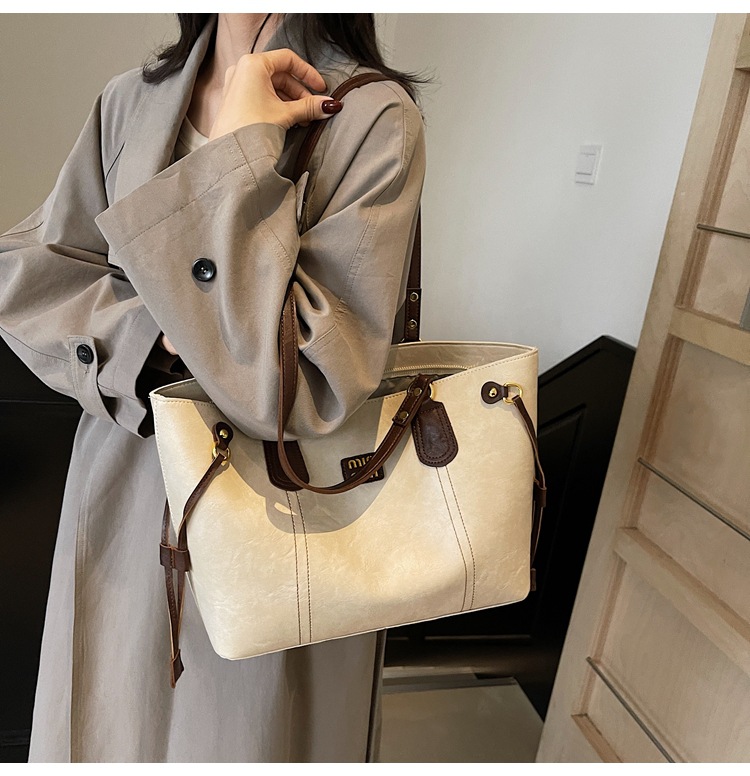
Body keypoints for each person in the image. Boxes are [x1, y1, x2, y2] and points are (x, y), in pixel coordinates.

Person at [0, 12, 426, 762]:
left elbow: (301, 382)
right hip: (125, 497)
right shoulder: (131, 100)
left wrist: (236, 150)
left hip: (283, 522)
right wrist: (154, 339)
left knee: (245, 736)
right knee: (108, 725)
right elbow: (26, 275)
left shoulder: (370, 117)